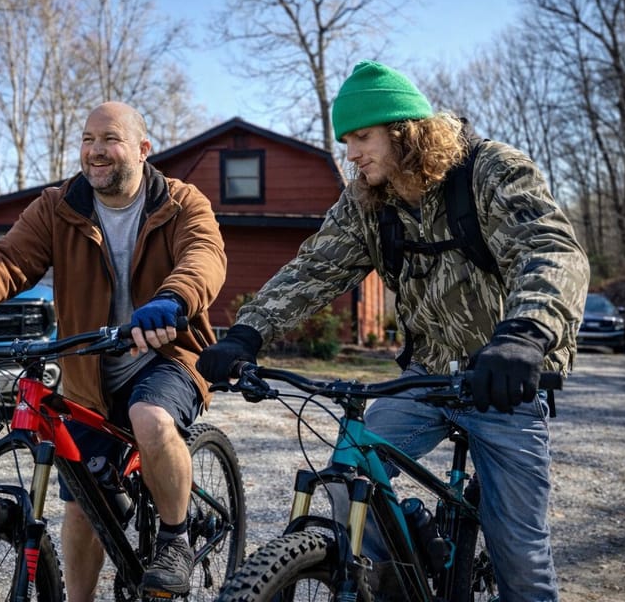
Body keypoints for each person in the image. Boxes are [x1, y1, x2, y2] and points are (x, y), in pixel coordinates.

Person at [197, 60, 589, 602]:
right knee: (349, 476)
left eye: (363, 136)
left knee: (518, 552)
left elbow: (551, 250)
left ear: (406, 132)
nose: (352, 153)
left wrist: (525, 334)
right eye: (346, 141)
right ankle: (397, 582)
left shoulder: (491, 171)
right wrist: (247, 333)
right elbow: (315, 269)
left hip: (502, 378)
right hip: (424, 378)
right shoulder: (367, 199)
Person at [0, 101, 226, 601]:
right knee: (83, 504)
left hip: (166, 352)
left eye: (109, 139)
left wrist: (172, 299)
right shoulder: (58, 206)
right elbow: (4, 263)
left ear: (142, 148)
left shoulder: (180, 202)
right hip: (89, 369)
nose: (95, 150)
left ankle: (175, 540)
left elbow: (205, 256)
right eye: (88, 139)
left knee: (150, 417)